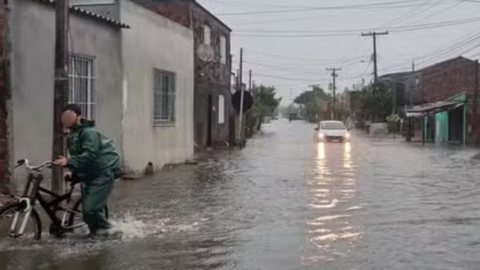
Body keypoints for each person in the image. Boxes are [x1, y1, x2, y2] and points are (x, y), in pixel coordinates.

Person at [53, 104, 122, 238]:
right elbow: (79, 156)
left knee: (90, 209)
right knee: (88, 213)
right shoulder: (73, 135)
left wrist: (69, 162)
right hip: (88, 174)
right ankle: (96, 234)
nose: (66, 120)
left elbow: (90, 154)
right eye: (64, 117)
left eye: (69, 116)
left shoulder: (89, 132)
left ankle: (111, 232)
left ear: (78, 116)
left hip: (102, 172)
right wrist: (73, 171)